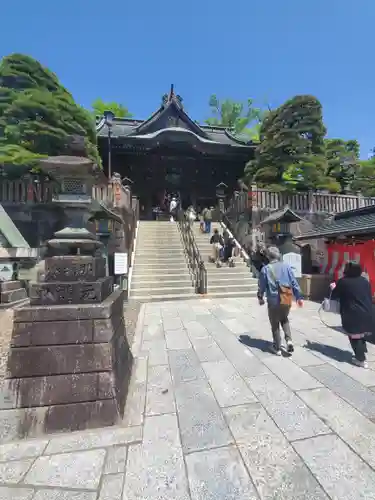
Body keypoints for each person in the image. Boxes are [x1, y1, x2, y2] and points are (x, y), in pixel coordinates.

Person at [257, 246, 303, 355]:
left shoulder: (266, 269)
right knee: (284, 319)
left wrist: (260, 297)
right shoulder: (287, 267)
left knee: (275, 324)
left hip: (273, 301)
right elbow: (294, 283)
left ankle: (277, 347)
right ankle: (289, 340)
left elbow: (261, 286)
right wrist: (299, 297)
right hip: (286, 298)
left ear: (268, 256)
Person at [330, 261, 373, 368]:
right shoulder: (365, 281)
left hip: (352, 313)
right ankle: (362, 353)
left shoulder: (343, 282)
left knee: (354, 336)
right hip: (367, 312)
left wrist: (332, 287)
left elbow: (335, 296)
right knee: (361, 334)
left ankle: (361, 359)